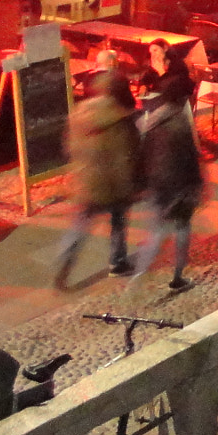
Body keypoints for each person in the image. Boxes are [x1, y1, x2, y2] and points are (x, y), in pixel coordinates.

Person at [53, 70, 141, 289]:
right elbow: (127, 154)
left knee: (79, 226)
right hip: (115, 184)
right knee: (118, 224)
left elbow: (68, 147)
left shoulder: (78, 113)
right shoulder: (122, 117)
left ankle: (64, 262)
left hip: (87, 181)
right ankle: (117, 263)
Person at [135, 40, 204, 291]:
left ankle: (140, 275)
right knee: (181, 228)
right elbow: (191, 156)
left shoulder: (152, 124)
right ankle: (177, 277)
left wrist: (143, 179)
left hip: (160, 183)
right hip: (180, 185)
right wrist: (198, 185)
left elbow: (146, 151)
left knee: (157, 231)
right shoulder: (181, 124)